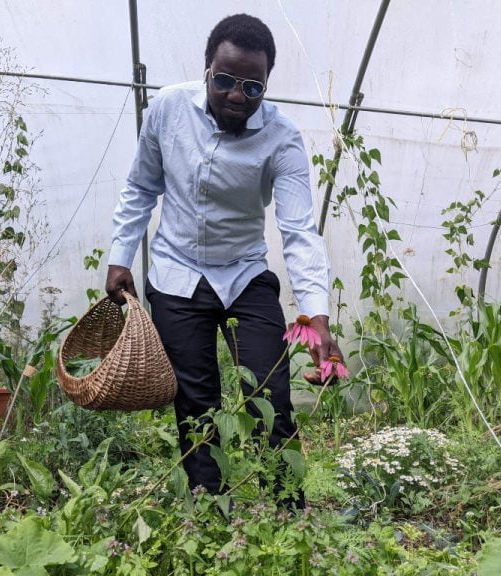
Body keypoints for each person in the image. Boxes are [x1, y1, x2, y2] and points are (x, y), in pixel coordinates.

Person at [105, 13, 343, 507]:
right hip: (176, 275)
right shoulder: (169, 108)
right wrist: (120, 256)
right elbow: (141, 186)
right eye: (226, 80)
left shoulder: (282, 138)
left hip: (244, 274)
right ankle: (208, 508)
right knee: (195, 402)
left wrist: (317, 318)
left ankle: (286, 509)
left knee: (270, 395)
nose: (237, 95)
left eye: (252, 86)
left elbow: (299, 231)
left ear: (267, 84)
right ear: (207, 69)